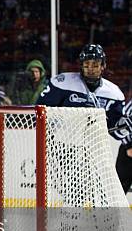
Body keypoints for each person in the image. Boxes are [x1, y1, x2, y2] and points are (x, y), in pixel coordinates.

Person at [36, 44, 130, 192]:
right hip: (64, 147)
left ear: (103, 66)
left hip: (95, 150)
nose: (91, 68)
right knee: (72, 193)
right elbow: (41, 112)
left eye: (95, 64)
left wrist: (124, 127)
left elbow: (116, 130)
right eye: (87, 64)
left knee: (100, 192)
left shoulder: (113, 93)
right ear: (81, 65)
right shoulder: (63, 83)